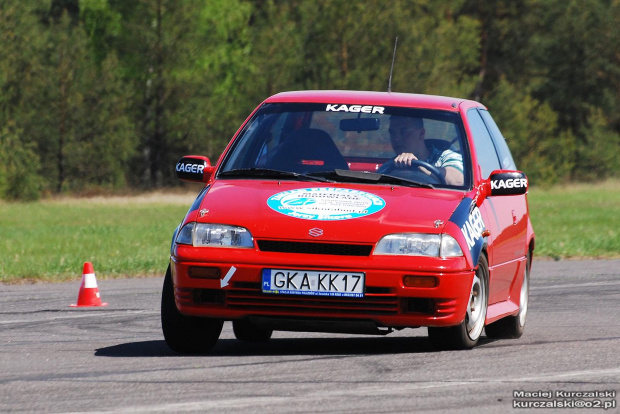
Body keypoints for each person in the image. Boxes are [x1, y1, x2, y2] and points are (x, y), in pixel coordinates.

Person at [383, 115, 464, 186]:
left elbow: (458, 181)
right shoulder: (390, 166)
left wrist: (418, 165)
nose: (396, 138)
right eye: (392, 133)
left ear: (421, 133)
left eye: (403, 132)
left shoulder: (447, 157)